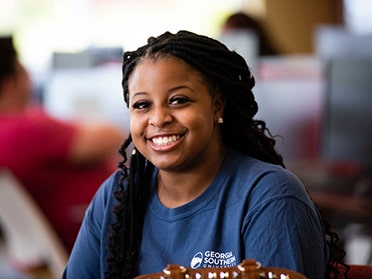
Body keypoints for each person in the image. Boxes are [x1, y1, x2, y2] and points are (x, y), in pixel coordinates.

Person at [63, 30, 346, 279]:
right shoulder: (116, 197)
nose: (158, 118)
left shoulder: (271, 198)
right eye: (142, 105)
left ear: (217, 106)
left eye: (178, 100)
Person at [0, 36, 125, 253]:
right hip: (101, 233)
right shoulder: (24, 130)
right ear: (10, 84)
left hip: (77, 236)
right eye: (23, 70)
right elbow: (112, 136)